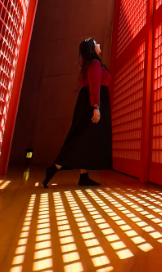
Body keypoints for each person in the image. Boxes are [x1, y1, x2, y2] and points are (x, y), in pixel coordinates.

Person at [42, 38, 112, 188]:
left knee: (85, 139)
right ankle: (54, 168)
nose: (99, 44)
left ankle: (83, 176)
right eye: (96, 43)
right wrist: (96, 107)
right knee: (81, 139)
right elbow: (94, 86)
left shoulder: (89, 64)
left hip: (88, 102)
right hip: (92, 104)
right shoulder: (94, 64)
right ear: (92, 49)